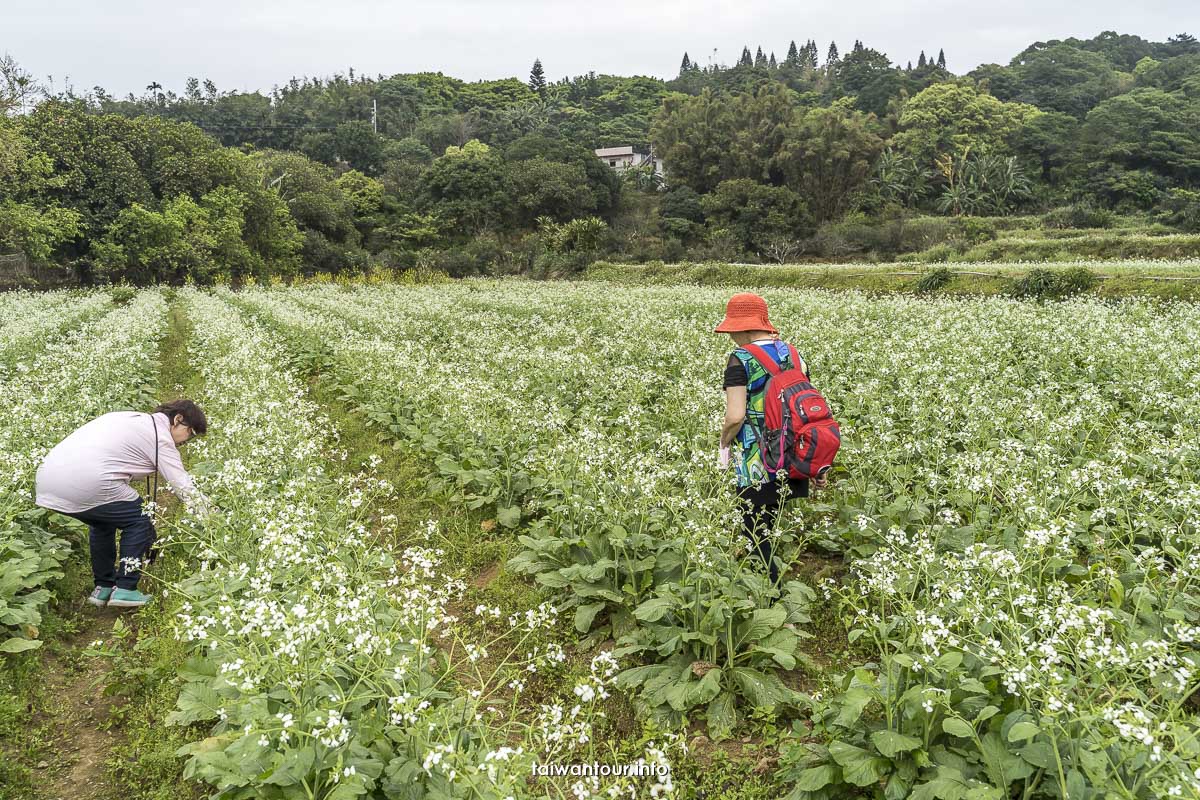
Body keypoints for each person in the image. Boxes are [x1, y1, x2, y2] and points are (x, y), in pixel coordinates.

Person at [35, 399, 209, 608]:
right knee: (141, 518)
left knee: (102, 522)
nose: (185, 442)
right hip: (88, 480)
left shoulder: (128, 419)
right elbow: (182, 484)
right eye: (190, 433)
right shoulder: (159, 437)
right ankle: (126, 588)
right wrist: (211, 517)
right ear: (178, 419)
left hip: (48, 479)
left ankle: (103, 588)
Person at [715, 292, 826, 591]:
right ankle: (763, 573)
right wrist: (817, 466)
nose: (730, 337)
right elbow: (807, 408)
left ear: (743, 327)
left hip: (757, 460)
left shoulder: (740, 359)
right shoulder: (793, 353)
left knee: (754, 530)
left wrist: (723, 444)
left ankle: (771, 597)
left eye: (731, 331)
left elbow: (735, 416)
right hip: (792, 455)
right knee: (769, 521)